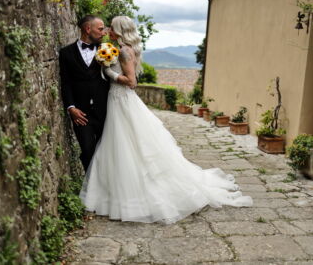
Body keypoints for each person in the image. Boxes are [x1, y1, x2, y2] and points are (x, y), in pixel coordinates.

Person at [79, 16, 253, 224]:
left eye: (112, 27)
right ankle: (116, 192)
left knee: (128, 144)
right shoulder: (117, 48)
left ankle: (131, 196)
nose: (109, 30)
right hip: (116, 101)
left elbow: (132, 82)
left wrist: (109, 72)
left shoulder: (125, 51)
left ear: (119, 30)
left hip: (122, 100)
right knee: (119, 145)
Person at [59, 15, 110, 171]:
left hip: (106, 111)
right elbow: (66, 82)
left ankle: (105, 184)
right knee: (87, 150)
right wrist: (71, 108)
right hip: (81, 113)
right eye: (100, 29)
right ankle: (91, 187)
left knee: (107, 151)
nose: (104, 33)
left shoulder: (107, 50)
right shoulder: (66, 53)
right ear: (88, 29)